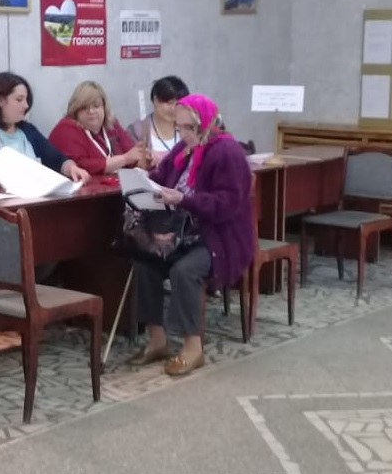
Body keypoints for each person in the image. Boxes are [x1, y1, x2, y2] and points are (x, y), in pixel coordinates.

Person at [128, 93, 255, 376]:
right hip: (183, 233)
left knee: (184, 271)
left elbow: (227, 204)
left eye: (190, 127)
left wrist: (183, 200)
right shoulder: (184, 149)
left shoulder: (227, 152)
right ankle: (157, 340)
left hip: (218, 237)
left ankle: (192, 347)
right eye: (180, 127)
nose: (184, 134)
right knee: (144, 263)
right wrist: (143, 181)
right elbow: (161, 179)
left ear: (208, 124)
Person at [0, 72, 90, 188]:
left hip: (37, 197)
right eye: (19, 100)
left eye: (26, 100)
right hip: (3, 202)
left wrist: (71, 168)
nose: (26, 105)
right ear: (0, 100)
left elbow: (56, 159)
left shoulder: (28, 130)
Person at [48, 81, 147, 175]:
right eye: (84, 107)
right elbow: (81, 165)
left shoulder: (111, 124)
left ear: (104, 107)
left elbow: (131, 153)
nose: (91, 111)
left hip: (116, 184)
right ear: (75, 110)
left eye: (96, 106)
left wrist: (142, 159)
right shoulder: (66, 129)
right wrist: (124, 159)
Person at [126, 75, 189, 167]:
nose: (173, 109)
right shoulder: (137, 131)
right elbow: (128, 165)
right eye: (170, 103)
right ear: (155, 100)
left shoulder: (190, 129)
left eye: (178, 104)